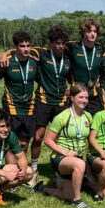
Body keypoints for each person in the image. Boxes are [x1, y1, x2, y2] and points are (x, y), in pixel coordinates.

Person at [33, 84, 93, 208]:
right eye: (80, 97)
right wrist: (65, 152)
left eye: (86, 98)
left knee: (66, 195)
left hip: (77, 159)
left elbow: (90, 141)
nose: (84, 101)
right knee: (79, 165)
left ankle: (41, 188)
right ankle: (77, 200)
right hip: (60, 157)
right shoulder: (62, 116)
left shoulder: (88, 116)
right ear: (72, 98)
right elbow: (48, 141)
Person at [30, 26, 71, 184]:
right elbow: (21, 50)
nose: (60, 46)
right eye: (57, 43)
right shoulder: (42, 54)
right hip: (44, 101)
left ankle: (59, 170)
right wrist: (6, 53)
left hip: (61, 103)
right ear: (51, 43)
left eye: (63, 43)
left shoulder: (67, 58)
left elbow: (71, 77)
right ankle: (34, 169)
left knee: (60, 139)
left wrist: (71, 90)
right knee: (38, 137)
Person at [0, 31, 38, 156]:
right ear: (16, 47)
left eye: (28, 45)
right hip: (12, 106)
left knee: (25, 143)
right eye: (22, 46)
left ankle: (22, 171)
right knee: (12, 143)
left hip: (29, 107)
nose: (26, 49)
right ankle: (12, 172)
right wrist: (5, 54)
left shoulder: (34, 61)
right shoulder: (7, 62)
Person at [67, 17, 105, 115]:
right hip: (77, 94)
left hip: (94, 94)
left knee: (95, 126)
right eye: (89, 31)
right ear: (83, 32)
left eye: (95, 31)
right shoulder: (72, 47)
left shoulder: (100, 48)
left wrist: (100, 77)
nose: (92, 34)